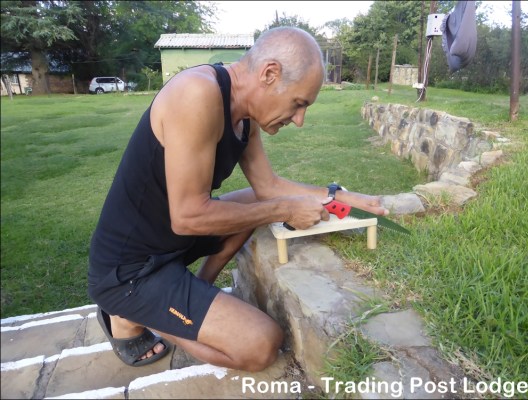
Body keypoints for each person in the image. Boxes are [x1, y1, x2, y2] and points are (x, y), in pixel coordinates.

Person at [88, 26, 389, 371]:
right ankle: (130, 314)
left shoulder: (245, 115)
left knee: (252, 200)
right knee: (260, 345)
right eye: (298, 103)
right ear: (269, 74)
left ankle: (194, 291)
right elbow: (188, 217)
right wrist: (285, 209)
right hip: (129, 272)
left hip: (168, 245)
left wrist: (340, 198)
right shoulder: (196, 94)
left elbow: (268, 187)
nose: (300, 120)